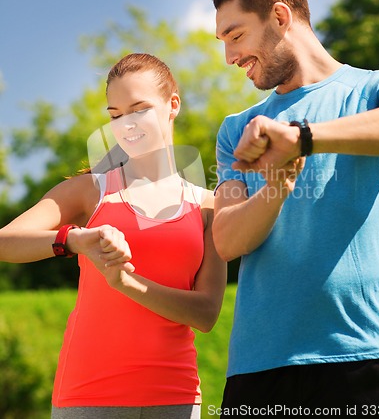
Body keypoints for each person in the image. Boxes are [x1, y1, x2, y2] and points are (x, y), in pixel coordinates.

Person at [212, 0, 379, 417]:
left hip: (363, 356)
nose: (230, 58)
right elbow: (227, 241)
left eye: (236, 35)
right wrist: (277, 185)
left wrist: (303, 138)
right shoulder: (236, 130)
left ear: (280, 18)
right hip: (258, 368)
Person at [0, 53, 227, 419]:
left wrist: (126, 283)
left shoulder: (209, 206)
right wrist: (74, 239)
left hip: (176, 396)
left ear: (173, 105)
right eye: (116, 115)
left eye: (139, 109)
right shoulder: (91, 191)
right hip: (88, 395)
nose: (127, 125)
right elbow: (5, 242)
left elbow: (206, 313)